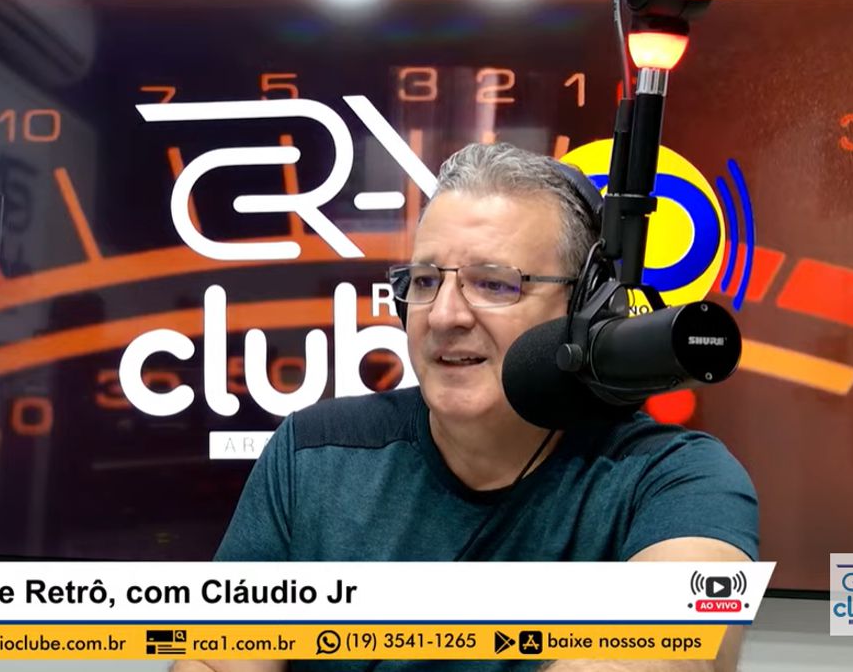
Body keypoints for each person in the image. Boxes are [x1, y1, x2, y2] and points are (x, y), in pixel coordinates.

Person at [175, 143, 759, 672]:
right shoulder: (314, 454)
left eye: (494, 283)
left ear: (585, 309)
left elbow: (671, 654)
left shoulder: (675, 478)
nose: (445, 315)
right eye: (425, 281)